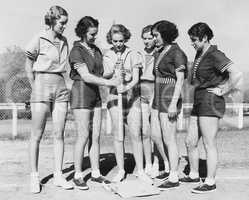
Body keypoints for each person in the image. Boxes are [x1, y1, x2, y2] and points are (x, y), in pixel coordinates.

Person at [181, 22, 242, 194]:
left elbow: (236, 73)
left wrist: (224, 89)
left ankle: (210, 182)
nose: (192, 43)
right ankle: (193, 174)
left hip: (210, 101)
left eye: (194, 40)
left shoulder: (215, 54)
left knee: (209, 144)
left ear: (205, 37)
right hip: (198, 99)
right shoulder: (201, 53)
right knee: (190, 141)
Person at [25, 6, 73, 193]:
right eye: (62, 23)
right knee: (36, 134)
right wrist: (34, 86)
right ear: (52, 21)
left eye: (66, 24)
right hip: (41, 85)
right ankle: (34, 177)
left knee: (58, 133)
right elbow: (28, 65)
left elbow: (65, 68)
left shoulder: (65, 40)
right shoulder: (39, 37)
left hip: (60, 86)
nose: (64, 27)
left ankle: (59, 175)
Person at [69, 16, 119, 190]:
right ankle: (77, 174)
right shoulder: (76, 50)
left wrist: (116, 64)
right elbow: (86, 76)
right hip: (81, 92)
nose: (94, 37)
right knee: (83, 135)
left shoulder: (96, 49)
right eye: (91, 34)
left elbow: (102, 72)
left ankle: (96, 173)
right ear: (83, 32)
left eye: (96, 34)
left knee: (95, 136)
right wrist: (109, 83)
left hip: (95, 94)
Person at [103, 24, 153, 184]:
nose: (118, 44)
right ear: (111, 39)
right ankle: (121, 170)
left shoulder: (133, 54)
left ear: (125, 39)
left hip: (132, 97)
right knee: (118, 135)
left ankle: (140, 170)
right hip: (114, 98)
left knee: (135, 133)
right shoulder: (107, 55)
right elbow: (105, 76)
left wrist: (126, 86)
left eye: (121, 41)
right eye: (115, 41)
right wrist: (113, 72)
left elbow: (137, 78)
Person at [150, 20, 188, 190]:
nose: (154, 39)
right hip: (158, 97)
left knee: (169, 138)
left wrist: (173, 104)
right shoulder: (159, 51)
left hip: (169, 97)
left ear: (165, 34)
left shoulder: (177, 53)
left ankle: (173, 176)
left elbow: (180, 81)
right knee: (156, 135)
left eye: (156, 35)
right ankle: (168, 165)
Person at [139, 25, 170, 179]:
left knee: (155, 132)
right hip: (141, 93)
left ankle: (158, 163)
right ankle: (148, 163)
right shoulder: (138, 54)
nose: (147, 41)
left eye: (150, 38)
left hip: (155, 92)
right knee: (144, 131)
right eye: (144, 38)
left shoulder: (160, 54)